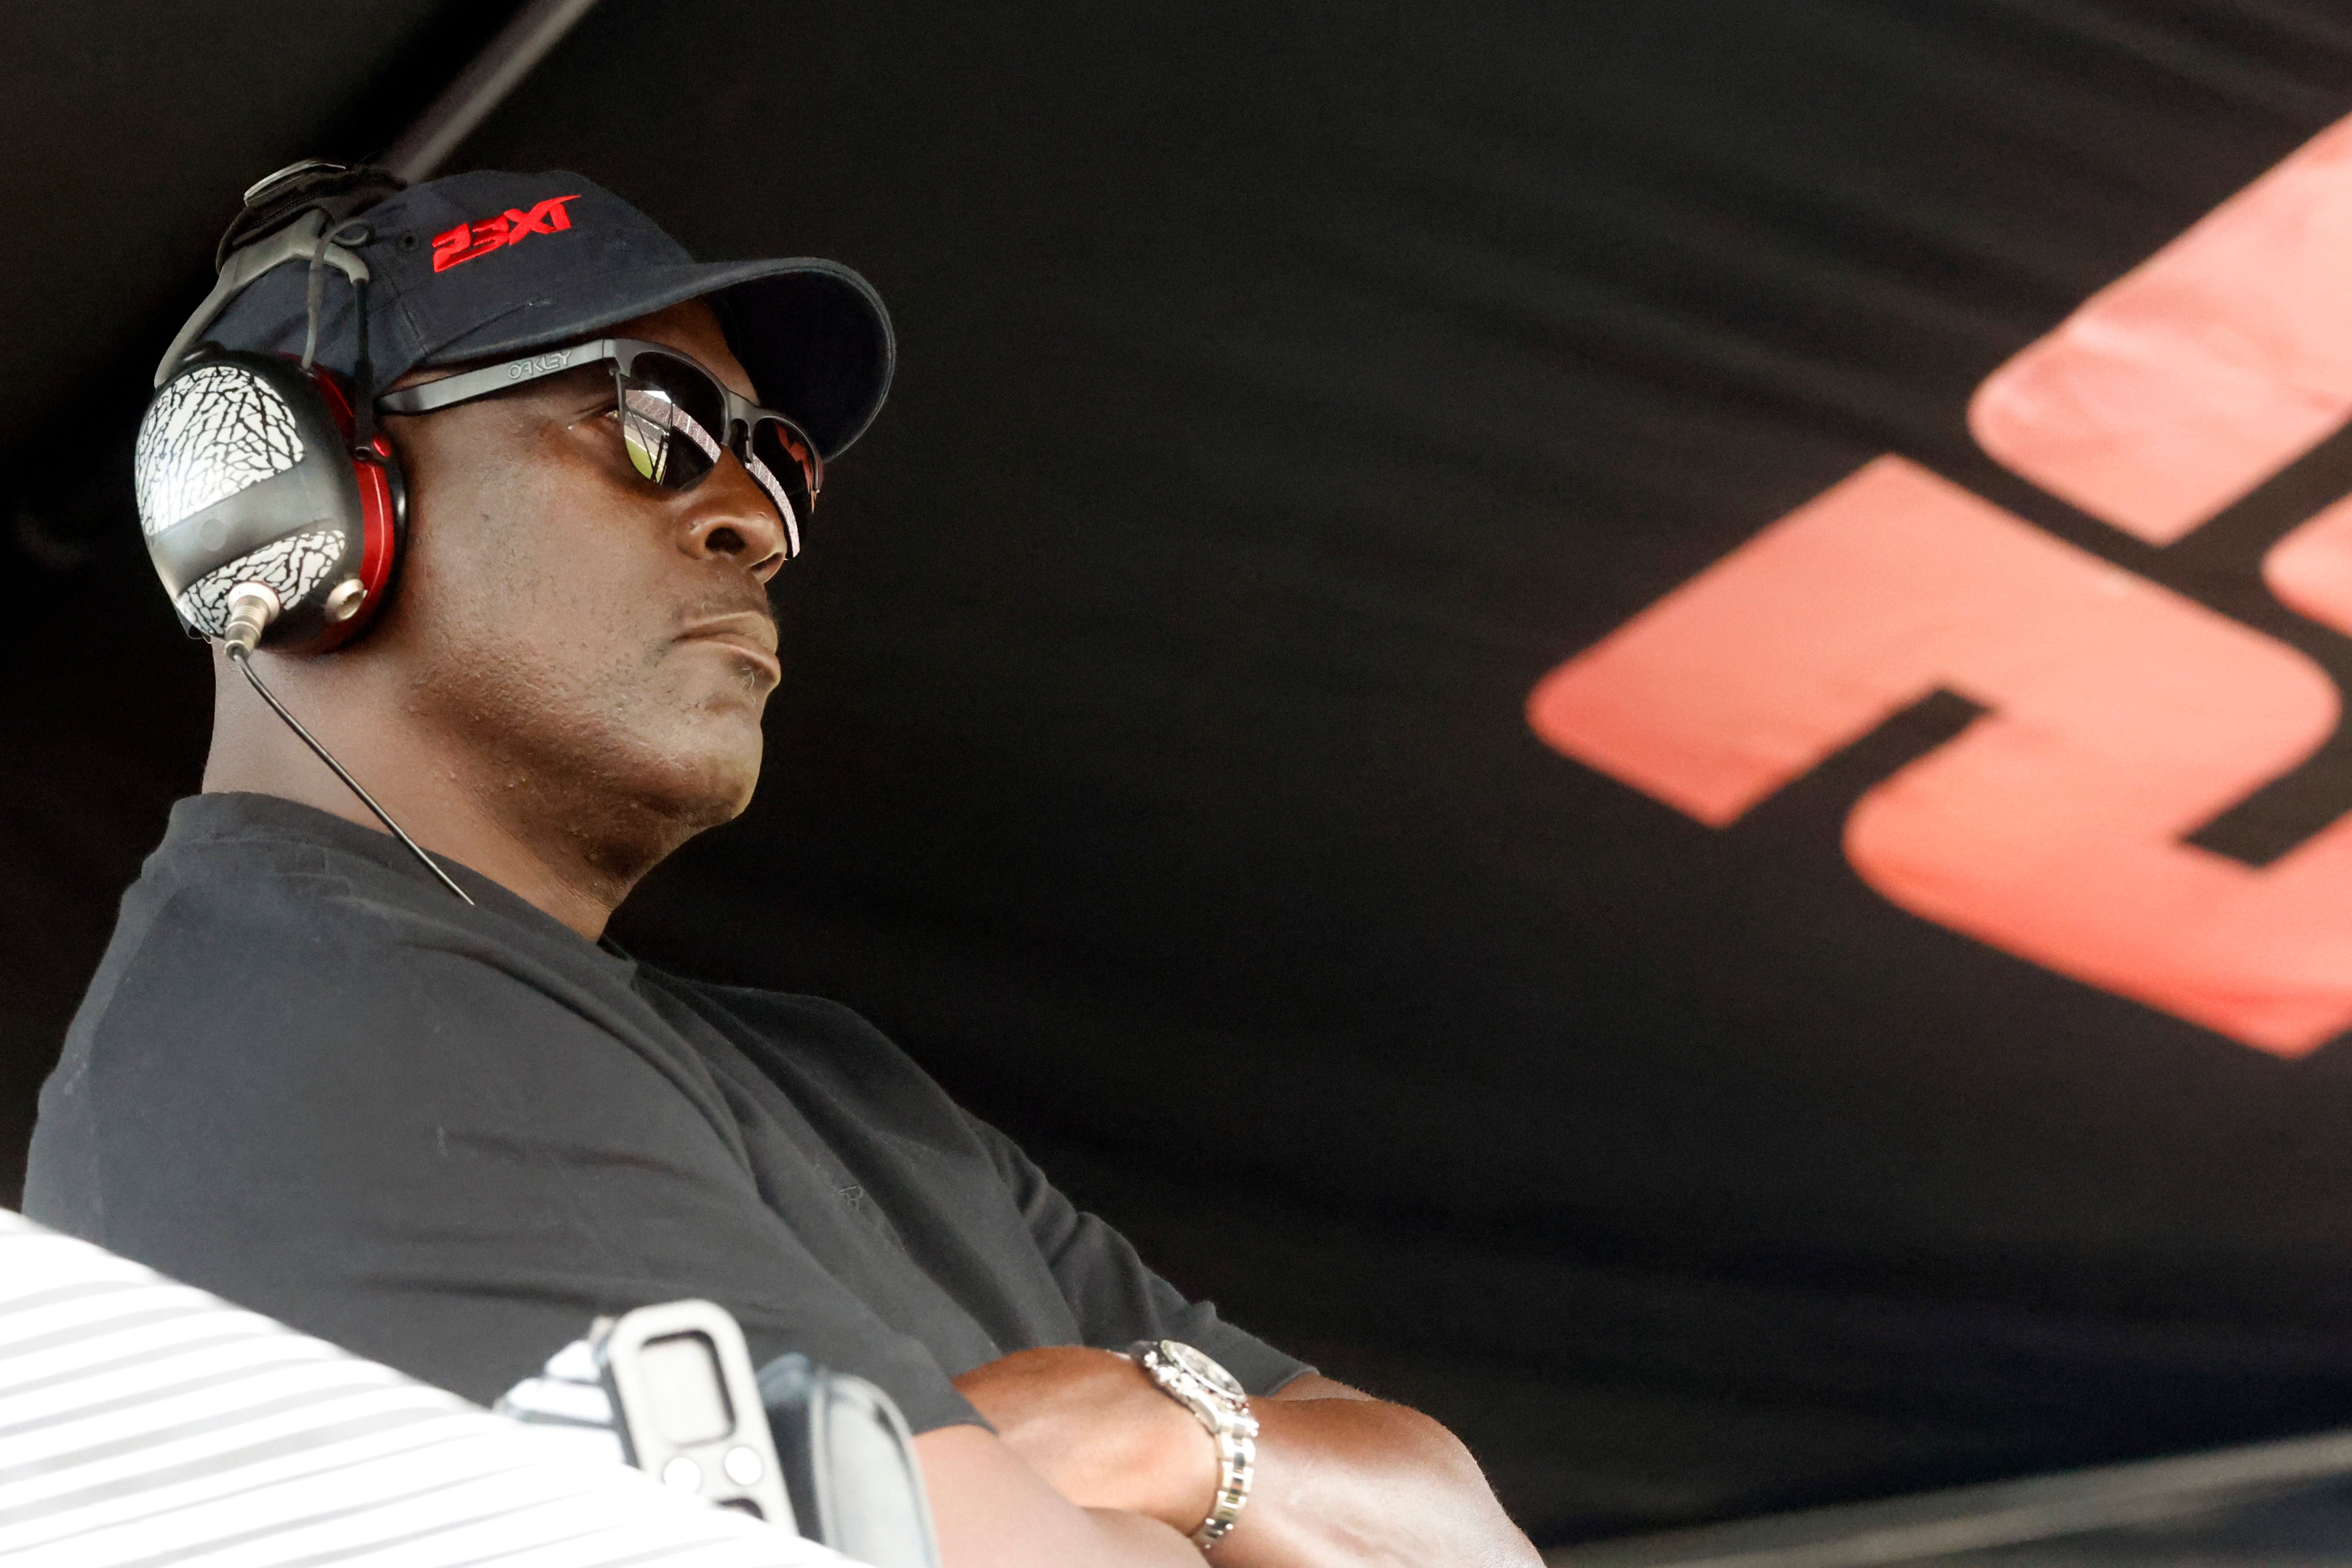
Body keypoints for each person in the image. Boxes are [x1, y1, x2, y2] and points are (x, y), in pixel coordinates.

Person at [23, 166, 1537, 1567]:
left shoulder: (839, 1079)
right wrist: (1188, 1513)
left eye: (778, 462)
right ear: (286, 507)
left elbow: (1464, 1531)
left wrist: (1171, 1435)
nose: (758, 518)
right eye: (652, 423)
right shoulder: (299, 1032)